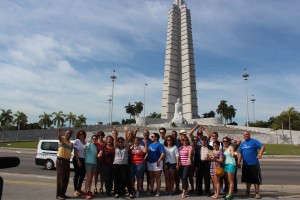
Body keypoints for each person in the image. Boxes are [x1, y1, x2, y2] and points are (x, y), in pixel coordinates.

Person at [238, 131, 265, 199]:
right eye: (244, 135)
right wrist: (238, 162)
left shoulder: (254, 141)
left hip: (254, 164)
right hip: (246, 165)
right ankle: (247, 191)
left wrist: (260, 153)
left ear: (249, 135)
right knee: (247, 179)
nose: (246, 135)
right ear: (243, 136)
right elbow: (240, 153)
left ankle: (257, 193)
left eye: (247, 134)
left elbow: (262, 146)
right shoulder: (242, 144)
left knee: (256, 179)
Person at [112, 127, 134, 198]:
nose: (121, 143)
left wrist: (125, 132)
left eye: (122, 142)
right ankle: (116, 193)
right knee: (116, 179)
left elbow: (126, 140)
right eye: (119, 142)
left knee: (126, 179)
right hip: (116, 165)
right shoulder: (116, 148)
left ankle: (130, 192)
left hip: (124, 165)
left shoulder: (126, 148)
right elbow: (115, 140)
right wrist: (115, 131)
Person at [56, 129, 73, 200]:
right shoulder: (62, 139)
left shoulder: (70, 143)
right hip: (61, 161)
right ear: (65, 133)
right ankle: (59, 195)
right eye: (67, 133)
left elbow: (70, 151)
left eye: (70, 134)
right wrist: (59, 134)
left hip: (67, 161)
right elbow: (59, 137)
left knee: (66, 178)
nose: (68, 135)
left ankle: (63, 193)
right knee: (60, 179)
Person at [147, 132, 165, 197]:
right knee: (151, 177)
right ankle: (151, 189)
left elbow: (163, 153)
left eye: (152, 136)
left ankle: (158, 191)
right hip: (149, 162)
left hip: (156, 163)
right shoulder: (150, 145)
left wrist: (159, 160)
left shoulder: (159, 145)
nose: (151, 138)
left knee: (157, 177)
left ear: (156, 137)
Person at [83, 135, 98, 199]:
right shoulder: (89, 144)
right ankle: (85, 193)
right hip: (88, 163)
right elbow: (84, 147)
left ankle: (89, 191)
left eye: (95, 139)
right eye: (93, 139)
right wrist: (85, 146)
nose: (94, 140)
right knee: (88, 178)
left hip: (94, 163)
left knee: (91, 178)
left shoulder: (95, 146)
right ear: (92, 139)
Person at [73, 130, 87, 197]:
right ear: (78, 135)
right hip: (77, 159)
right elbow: (75, 152)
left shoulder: (85, 142)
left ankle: (79, 188)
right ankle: (75, 190)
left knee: (83, 175)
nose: (81, 135)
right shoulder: (77, 141)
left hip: (83, 159)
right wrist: (78, 161)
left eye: (83, 134)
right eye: (80, 134)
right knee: (77, 174)